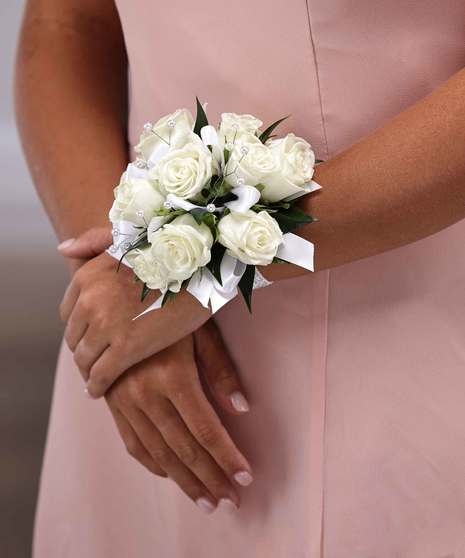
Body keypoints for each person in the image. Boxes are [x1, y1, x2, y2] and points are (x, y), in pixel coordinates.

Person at [16, 0, 465, 556]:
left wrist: (190, 266)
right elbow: (69, 25)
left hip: (415, 347)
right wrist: (116, 303)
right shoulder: (130, 315)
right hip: (148, 372)